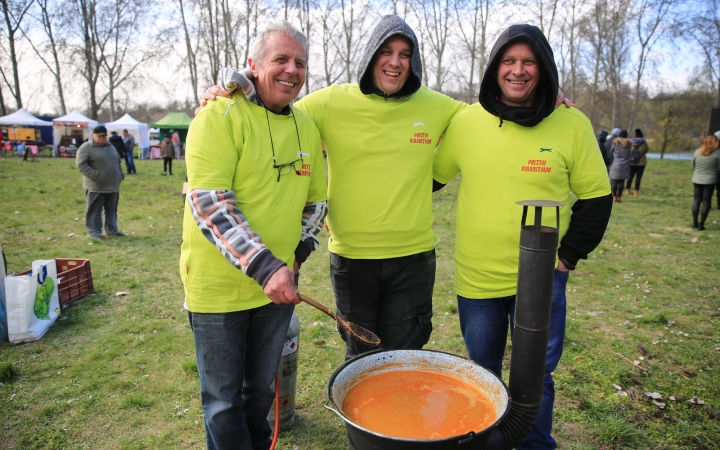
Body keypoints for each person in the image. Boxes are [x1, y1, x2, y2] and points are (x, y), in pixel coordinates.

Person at [199, 16, 572, 360]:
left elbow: (493, 114)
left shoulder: (439, 107)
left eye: (405, 54)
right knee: (360, 355)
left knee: (405, 355)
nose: (395, 63)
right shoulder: (329, 103)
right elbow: (275, 101)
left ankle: (400, 430)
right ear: (370, 56)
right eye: (386, 52)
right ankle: (364, 433)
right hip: (352, 258)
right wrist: (233, 88)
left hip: (413, 259)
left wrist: (545, 97)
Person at [432, 24, 612, 449]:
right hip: (477, 282)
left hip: (542, 281)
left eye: (528, 61)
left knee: (535, 378)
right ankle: (489, 443)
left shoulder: (571, 123)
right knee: (483, 374)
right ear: (495, 68)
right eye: (508, 61)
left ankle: (534, 444)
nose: (517, 71)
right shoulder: (466, 122)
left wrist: (565, 259)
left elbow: (597, 197)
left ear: (543, 67)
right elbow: (427, 181)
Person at [180, 21, 327, 450]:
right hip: (218, 289)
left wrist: (296, 257)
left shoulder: (307, 127)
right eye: (280, 59)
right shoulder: (219, 115)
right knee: (223, 403)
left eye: (299, 62)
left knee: (261, 392)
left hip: (276, 290)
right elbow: (210, 204)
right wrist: (266, 266)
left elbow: (316, 204)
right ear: (253, 66)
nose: (291, 70)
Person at [76, 125, 126, 239]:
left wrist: (120, 175)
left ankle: (112, 230)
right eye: (99, 136)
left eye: (104, 136)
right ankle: (94, 232)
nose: (102, 139)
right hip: (96, 186)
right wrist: (95, 176)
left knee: (111, 210)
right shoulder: (86, 148)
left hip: (112, 186)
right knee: (94, 211)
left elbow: (118, 162)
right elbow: (81, 165)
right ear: (93, 136)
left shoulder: (110, 147)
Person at [691, 134, 720, 230]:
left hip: (697, 179)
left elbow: (693, 165)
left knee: (697, 200)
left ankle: (694, 223)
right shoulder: (717, 153)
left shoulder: (697, 152)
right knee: (706, 201)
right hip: (710, 180)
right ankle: (701, 224)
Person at [609, 130, 631, 202]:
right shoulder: (628, 143)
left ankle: (614, 196)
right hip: (625, 165)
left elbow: (611, 151)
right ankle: (619, 197)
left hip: (616, 164)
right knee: (622, 182)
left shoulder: (615, 142)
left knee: (614, 181)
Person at [626, 128, 649, 195]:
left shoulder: (631, 143)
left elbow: (629, 151)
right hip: (641, 163)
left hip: (631, 162)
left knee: (630, 176)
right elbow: (646, 150)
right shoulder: (644, 144)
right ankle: (636, 191)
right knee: (638, 177)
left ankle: (627, 189)